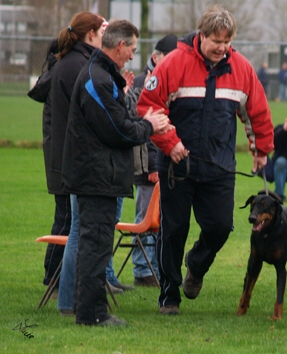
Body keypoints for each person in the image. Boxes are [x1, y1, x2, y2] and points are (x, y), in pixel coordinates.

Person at [136, 4, 274, 315]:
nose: (222, 48)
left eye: (227, 42)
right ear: (202, 35)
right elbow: (149, 108)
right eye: (216, 41)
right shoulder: (172, 64)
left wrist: (261, 150)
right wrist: (169, 144)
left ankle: (195, 266)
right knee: (173, 231)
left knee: (221, 227)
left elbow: (257, 113)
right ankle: (170, 295)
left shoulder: (241, 69)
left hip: (219, 166)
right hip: (176, 166)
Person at [61, 19, 169, 327]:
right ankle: (92, 315)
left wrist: (141, 118)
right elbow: (117, 131)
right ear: (120, 46)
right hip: (95, 178)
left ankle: (94, 311)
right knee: (95, 247)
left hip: (101, 176)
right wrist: (150, 126)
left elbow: (117, 118)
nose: (134, 55)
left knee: (97, 246)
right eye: (133, 48)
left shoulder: (105, 77)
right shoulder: (96, 79)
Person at [52, 15, 132, 318]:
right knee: (87, 238)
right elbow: (113, 127)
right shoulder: (89, 72)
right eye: (102, 31)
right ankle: (80, 307)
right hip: (91, 171)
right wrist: (146, 126)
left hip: (86, 167)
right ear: (92, 35)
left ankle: (79, 305)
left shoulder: (85, 68)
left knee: (86, 236)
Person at [125, 34, 178, 287]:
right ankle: (142, 270)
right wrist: (156, 164)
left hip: (161, 163)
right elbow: (145, 128)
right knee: (145, 218)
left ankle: (155, 268)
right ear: (156, 57)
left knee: (160, 220)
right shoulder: (140, 84)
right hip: (148, 166)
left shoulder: (168, 81)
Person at [34, 39, 68, 295]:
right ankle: (53, 276)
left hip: (59, 159)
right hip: (62, 161)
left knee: (64, 217)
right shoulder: (59, 77)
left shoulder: (54, 74)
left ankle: (54, 275)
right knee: (65, 218)